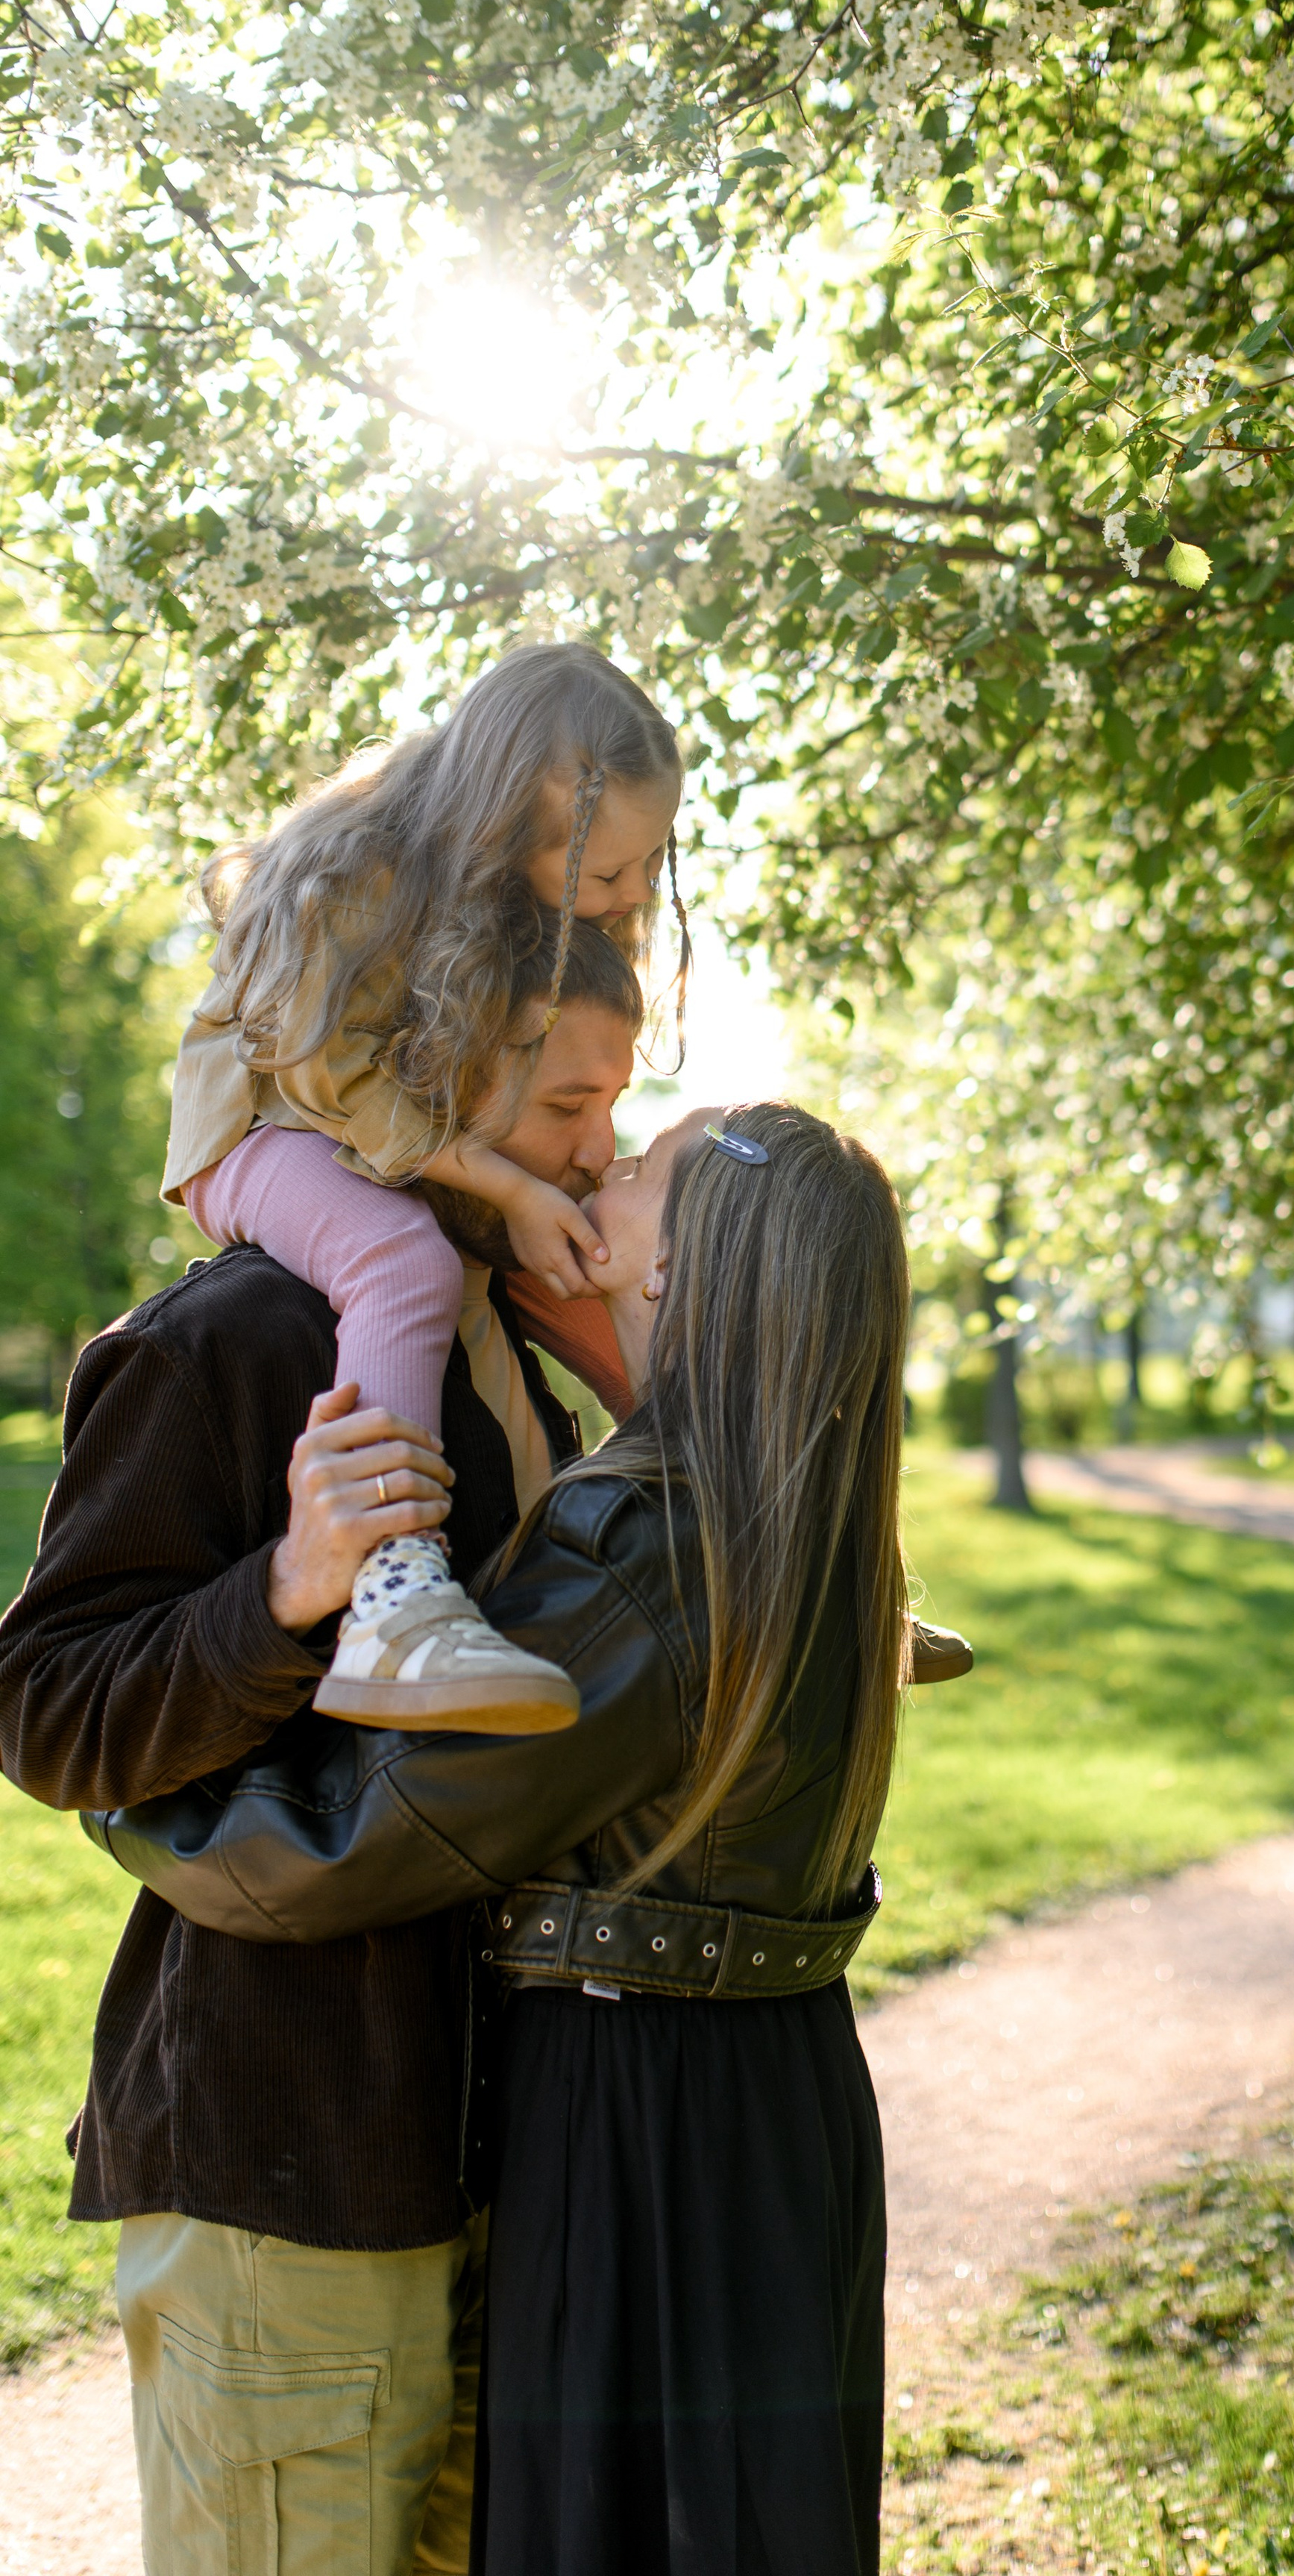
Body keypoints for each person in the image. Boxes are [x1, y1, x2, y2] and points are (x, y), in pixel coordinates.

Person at [93, 1101, 925, 2576]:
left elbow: (356, 1843)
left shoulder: (658, 1542)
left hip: (644, 2119)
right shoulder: (799, 1513)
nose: (593, 1169)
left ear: (680, 1269)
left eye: (635, 1171)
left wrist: (129, 1782)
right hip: (766, 2102)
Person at [0, 921, 647, 2576]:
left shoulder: (502, 1350)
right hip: (285, 2155)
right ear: (439, 1081)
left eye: (615, 1103)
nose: (600, 1145)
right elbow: (47, 1709)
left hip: (499, 2149)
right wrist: (286, 1587)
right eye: (569, 1102)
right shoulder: (235, 1338)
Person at [164, 637, 685, 1733]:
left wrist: (528, 1199)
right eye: (606, 875)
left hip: (401, 1134)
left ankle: (736, 1515)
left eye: (650, 865)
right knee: (400, 1256)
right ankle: (393, 1598)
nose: (631, 895)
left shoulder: (526, 906)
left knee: (576, 1266)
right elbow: (327, 1074)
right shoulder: (364, 870)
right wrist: (501, 1183)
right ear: (506, 822)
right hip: (269, 1126)